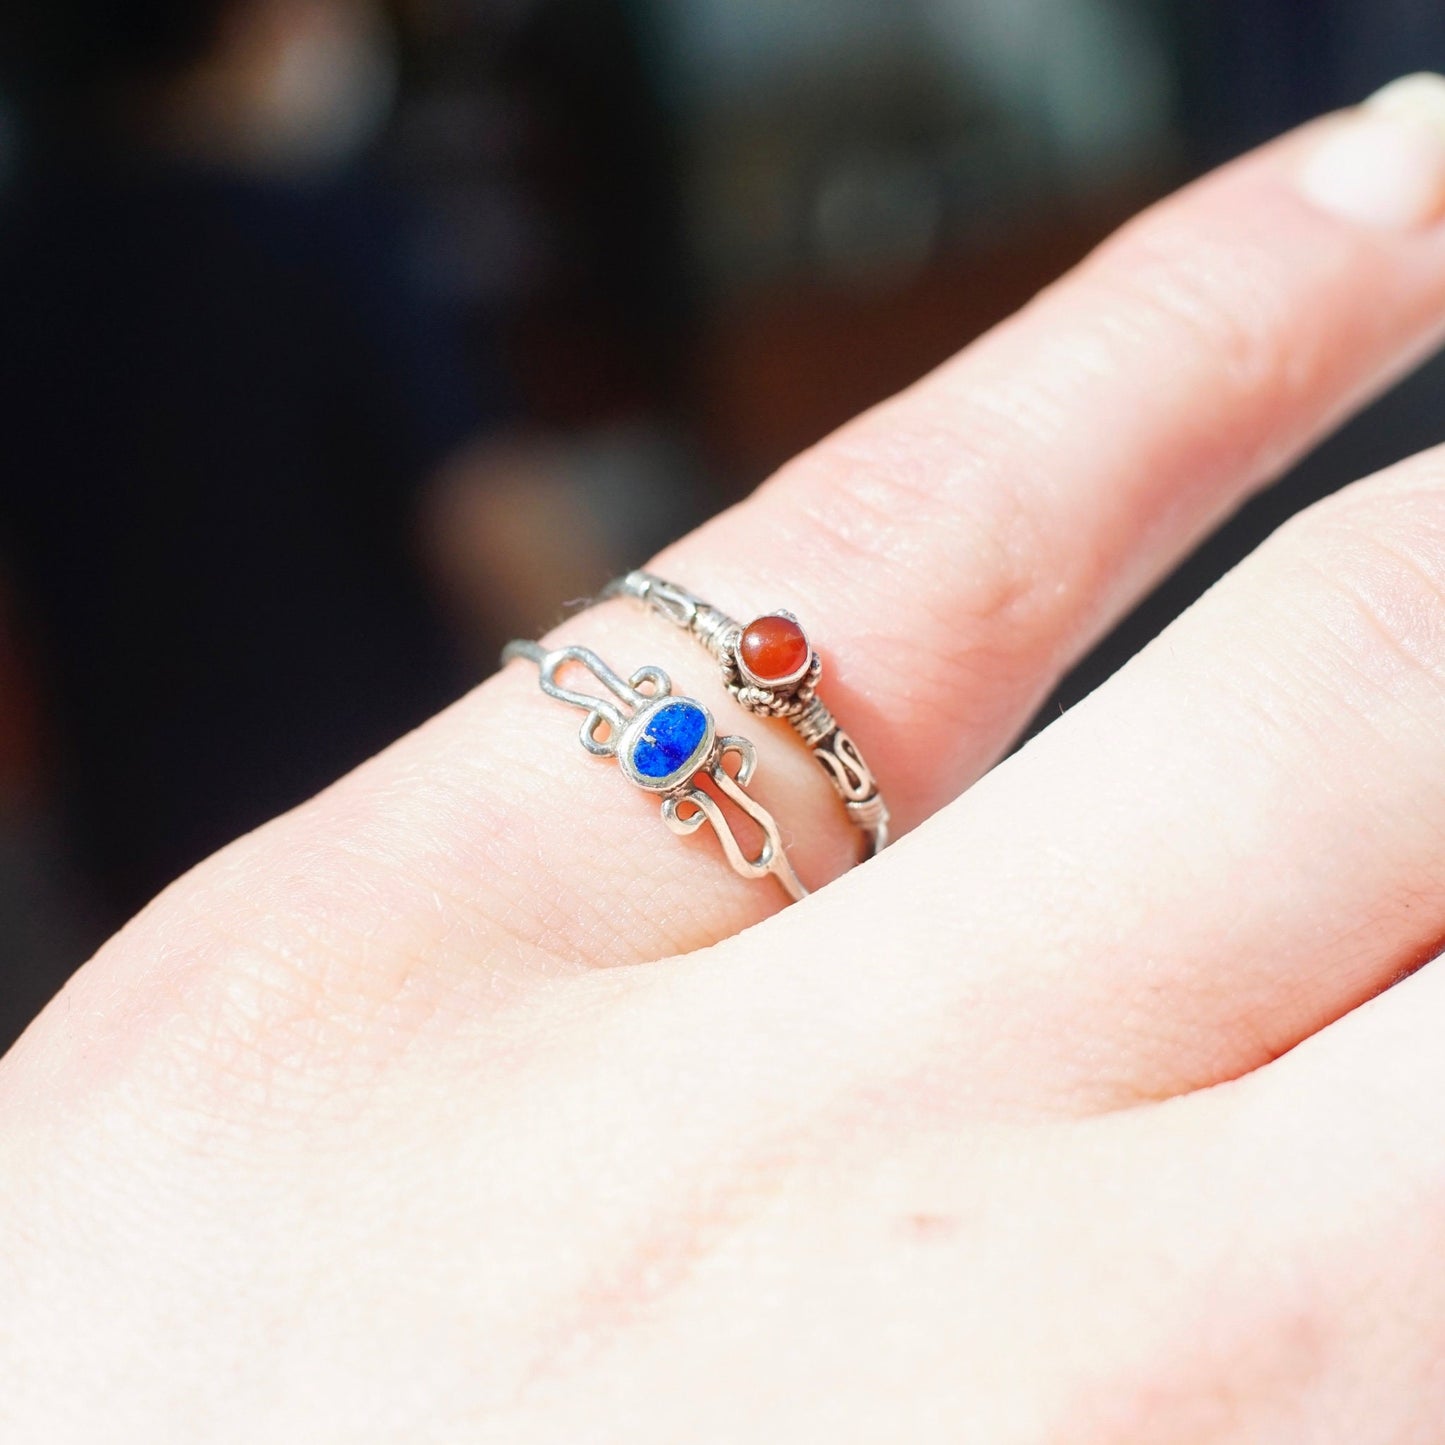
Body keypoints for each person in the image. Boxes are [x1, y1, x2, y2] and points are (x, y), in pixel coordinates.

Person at [8, 72, 1445, 1440]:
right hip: (394, 809)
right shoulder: (312, 216)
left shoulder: (35, 246)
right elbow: (487, 509)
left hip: (174, 850)